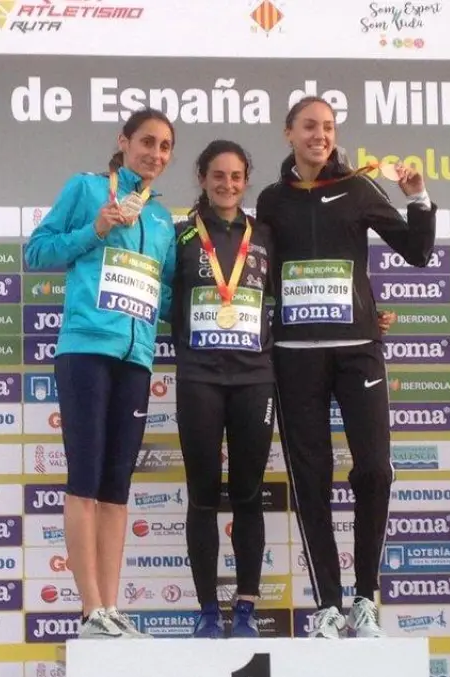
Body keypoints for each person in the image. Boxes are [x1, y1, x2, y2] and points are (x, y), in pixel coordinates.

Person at [253, 96, 437, 639]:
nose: (321, 135)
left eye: (329, 127)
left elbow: (417, 251)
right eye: (310, 126)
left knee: (374, 469)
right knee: (311, 479)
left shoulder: (357, 187)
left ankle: (366, 597)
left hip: (358, 349)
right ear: (288, 133)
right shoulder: (271, 199)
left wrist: (418, 198)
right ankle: (328, 604)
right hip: (295, 356)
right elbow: (258, 273)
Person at [23, 108, 177, 640]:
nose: (155, 153)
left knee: (116, 488)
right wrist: (96, 229)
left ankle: (111, 607)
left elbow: (166, 293)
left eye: (164, 146)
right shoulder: (87, 189)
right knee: (85, 481)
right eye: (146, 141)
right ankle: (90, 609)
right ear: (124, 142)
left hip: (136, 359)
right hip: (86, 350)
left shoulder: (162, 218)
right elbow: (37, 251)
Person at [170, 140, 276, 639]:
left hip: (255, 378)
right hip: (199, 378)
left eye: (236, 176)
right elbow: (163, 298)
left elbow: (290, 296)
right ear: (202, 178)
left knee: (249, 494)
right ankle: (208, 610)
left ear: (246, 180)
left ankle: (246, 609)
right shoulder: (182, 235)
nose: (227, 184)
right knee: (203, 495)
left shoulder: (265, 235)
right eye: (218, 175)